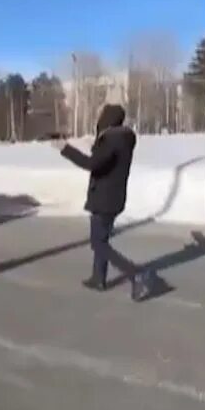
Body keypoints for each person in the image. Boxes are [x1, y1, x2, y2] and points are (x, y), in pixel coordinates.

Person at [51, 104, 137, 292]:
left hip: (103, 198)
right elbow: (102, 157)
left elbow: (92, 163)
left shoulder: (111, 140)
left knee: (98, 243)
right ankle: (98, 278)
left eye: (101, 115)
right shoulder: (123, 138)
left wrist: (65, 149)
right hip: (114, 196)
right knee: (101, 240)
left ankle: (134, 273)